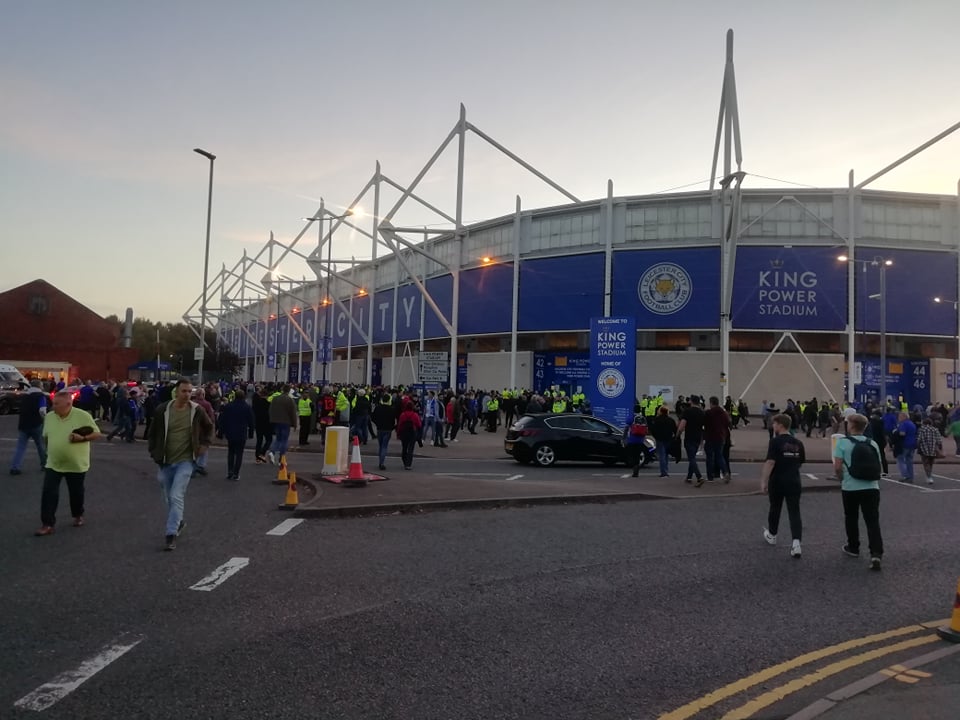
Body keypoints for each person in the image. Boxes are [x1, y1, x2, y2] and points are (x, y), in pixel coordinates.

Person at [147, 379, 214, 551]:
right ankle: (179, 521)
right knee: (168, 496)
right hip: (165, 461)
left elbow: (209, 426)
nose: (187, 395)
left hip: (186, 460)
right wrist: (154, 452)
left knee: (176, 495)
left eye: (189, 391)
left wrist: (204, 445)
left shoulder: (196, 410)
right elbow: (153, 432)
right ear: (176, 392)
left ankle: (171, 534)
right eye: (184, 391)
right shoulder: (163, 410)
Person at [34, 391, 101, 535]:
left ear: (68, 404)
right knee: (48, 493)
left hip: (76, 464)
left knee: (76, 492)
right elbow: (46, 436)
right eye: (53, 403)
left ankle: (78, 514)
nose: (53, 406)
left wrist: (82, 438)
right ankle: (47, 524)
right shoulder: (50, 417)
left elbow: (96, 433)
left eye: (57, 404)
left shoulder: (82, 415)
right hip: (54, 463)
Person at [833, 413, 883, 571]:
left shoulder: (842, 443)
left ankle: (853, 547)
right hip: (871, 486)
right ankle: (876, 553)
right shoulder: (872, 443)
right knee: (872, 521)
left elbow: (837, 466)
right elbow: (879, 465)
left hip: (850, 486)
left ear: (851, 425)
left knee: (851, 517)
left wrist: (841, 479)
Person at [760, 413, 805, 558]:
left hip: (778, 480)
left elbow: (770, 462)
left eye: (774, 423)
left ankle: (772, 535)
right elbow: (801, 461)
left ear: (780, 425)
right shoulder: (798, 443)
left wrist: (764, 481)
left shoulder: (775, 442)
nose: (773, 426)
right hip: (794, 480)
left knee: (775, 507)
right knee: (794, 511)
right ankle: (796, 543)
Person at [10, 378, 48, 475]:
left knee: (21, 447)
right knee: (40, 446)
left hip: (23, 424)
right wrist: (46, 420)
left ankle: (15, 467)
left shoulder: (25, 396)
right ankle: (45, 465)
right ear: (39, 386)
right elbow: (42, 411)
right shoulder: (41, 396)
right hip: (36, 424)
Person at [219, 389, 255, 480]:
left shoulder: (229, 406)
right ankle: (236, 473)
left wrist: (221, 432)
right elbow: (251, 422)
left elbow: (223, 420)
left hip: (230, 432)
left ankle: (230, 471)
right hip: (241, 433)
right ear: (244, 397)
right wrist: (251, 433)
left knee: (231, 452)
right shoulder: (247, 407)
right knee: (239, 453)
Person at [675, 395, 705, 486]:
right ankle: (689, 477)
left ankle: (699, 477)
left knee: (691, 458)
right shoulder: (702, 412)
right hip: (698, 437)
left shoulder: (687, 412)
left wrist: (677, 435)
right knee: (693, 457)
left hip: (689, 437)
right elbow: (704, 427)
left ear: (691, 401)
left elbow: (682, 425)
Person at [267, 384, 298, 465]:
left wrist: (272, 420)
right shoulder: (290, 400)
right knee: (284, 440)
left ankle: (272, 452)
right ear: (288, 391)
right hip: (286, 422)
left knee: (278, 439)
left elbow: (270, 410)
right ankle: (281, 459)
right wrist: (295, 424)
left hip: (276, 421)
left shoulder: (275, 399)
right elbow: (293, 413)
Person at [703, 396, 731, 483]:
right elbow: (728, 424)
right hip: (721, 437)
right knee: (719, 456)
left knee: (710, 457)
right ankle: (725, 471)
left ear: (711, 403)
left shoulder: (709, 413)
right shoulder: (724, 413)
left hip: (710, 437)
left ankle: (710, 476)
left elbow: (704, 423)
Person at [648, 406, 677, 478]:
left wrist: (656, 436)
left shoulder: (656, 420)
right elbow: (675, 430)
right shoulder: (671, 420)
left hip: (659, 439)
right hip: (668, 439)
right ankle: (666, 470)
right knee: (666, 455)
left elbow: (652, 429)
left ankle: (663, 472)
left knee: (662, 455)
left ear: (660, 412)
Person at [372, 392, 397, 470]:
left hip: (380, 428)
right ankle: (382, 462)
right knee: (384, 446)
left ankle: (380, 461)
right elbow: (394, 420)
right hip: (388, 429)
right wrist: (392, 427)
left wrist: (377, 424)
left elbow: (373, 417)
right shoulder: (392, 409)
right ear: (389, 400)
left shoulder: (378, 408)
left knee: (380, 445)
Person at [396, 399, 422, 470]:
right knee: (410, 449)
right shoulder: (415, 415)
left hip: (404, 433)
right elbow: (419, 425)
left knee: (404, 448)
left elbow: (399, 425)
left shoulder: (402, 415)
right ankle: (408, 464)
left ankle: (404, 461)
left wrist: (398, 434)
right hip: (412, 433)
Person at [916, 417, 942, 485]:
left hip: (924, 448)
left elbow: (919, 439)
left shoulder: (922, 429)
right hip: (933, 449)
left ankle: (929, 476)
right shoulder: (935, 429)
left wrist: (917, 447)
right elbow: (939, 441)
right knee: (930, 463)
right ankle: (930, 475)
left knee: (925, 463)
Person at [894, 411, 917, 483]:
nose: (898, 418)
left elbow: (902, 433)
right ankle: (911, 476)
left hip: (904, 444)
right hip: (912, 444)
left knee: (900, 460)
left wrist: (895, 432)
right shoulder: (912, 424)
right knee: (909, 461)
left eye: (900, 417)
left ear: (904, 417)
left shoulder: (903, 424)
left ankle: (905, 475)